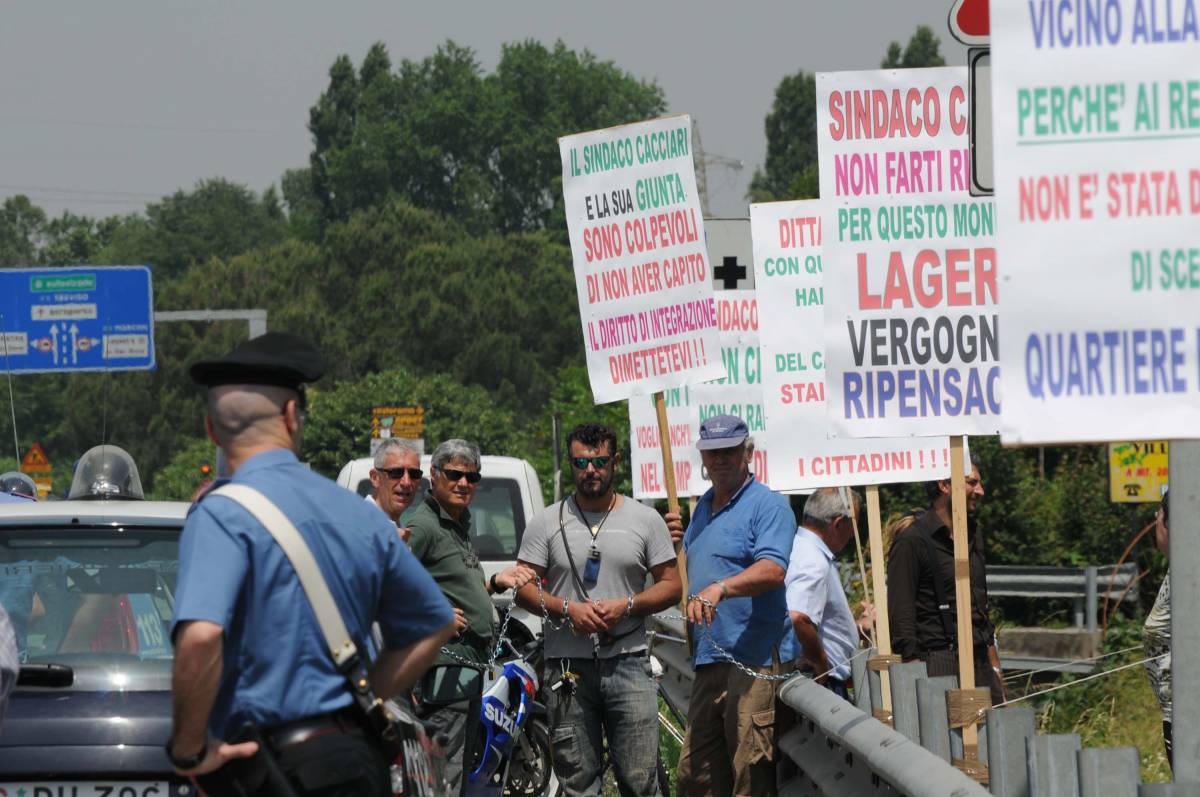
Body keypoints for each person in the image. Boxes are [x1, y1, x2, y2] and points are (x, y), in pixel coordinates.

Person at [168, 332, 456, 796]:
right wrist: (365, 699)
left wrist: (189, 750)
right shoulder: (357, 513)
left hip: (267, 768)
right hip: (355, 760)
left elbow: (201, 638)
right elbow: (434, 622)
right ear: (290, 416)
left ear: (211, 430)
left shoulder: (221, 514)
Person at [514, 423, 681, 797]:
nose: (590, 471)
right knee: (578, 784)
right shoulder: (546, 522)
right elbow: (523, 587)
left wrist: (630, 605)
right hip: (567, 667)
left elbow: (672, 585)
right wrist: (565, 608)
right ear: (571, 465)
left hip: (628, 661)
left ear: (615, 462)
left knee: (640, 782)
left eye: (600, 462)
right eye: (581, 463)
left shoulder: (644, 520)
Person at [675, 414, 799, 797]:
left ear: (748, 453)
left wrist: (720, 589)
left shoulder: (769, 505)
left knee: (750, 777)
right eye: (713, 453)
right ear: (703, 458)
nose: (721, 460)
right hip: (710, 658)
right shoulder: (702, 508)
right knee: (696, 778)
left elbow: (772, 570)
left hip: (755, 660)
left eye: (729, 451)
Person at [406, 438, 536, 797]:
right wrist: (433, 614)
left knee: (462, 771)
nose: (464, 483)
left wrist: (494, 583)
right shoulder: (425, 527)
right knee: (444, 772)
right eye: (454, 474)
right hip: (443, 672)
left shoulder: (457, 525)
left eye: (472, 477)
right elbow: (388, 585)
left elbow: (457, 587)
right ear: (434, 476)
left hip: (468, 670)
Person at [886, 454, 1006, 705]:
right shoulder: (913, 540)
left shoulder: (973, 533)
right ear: (945, 485)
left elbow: (980, 604)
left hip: (979, 658)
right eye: (972, 482)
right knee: (945, 741)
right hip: (938, 660)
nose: (980, 491)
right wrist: (913, 667)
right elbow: (901, 609)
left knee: (992, 736)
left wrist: (995, 665)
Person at [786, 488, 873, 700]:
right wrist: (821, 663)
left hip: (816, 679)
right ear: (838, 524)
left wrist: (858, 627)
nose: (853, 534)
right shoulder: (812, 559)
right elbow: (798, 618)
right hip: (823, 684)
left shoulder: (799, 547)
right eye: (853, 525)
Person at [1143, 489, 1172, 768]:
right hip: (1176, 714)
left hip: (1188, 717)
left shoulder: (1190, 577)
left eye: (1158, 517)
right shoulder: (1178, 571)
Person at [368, 438, 422, 542]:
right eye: (396, 473)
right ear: (375, 477)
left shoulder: (399, 529)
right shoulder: (359, 526)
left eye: (414, 474)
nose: (406, 482)